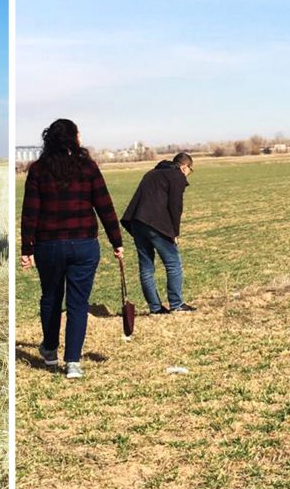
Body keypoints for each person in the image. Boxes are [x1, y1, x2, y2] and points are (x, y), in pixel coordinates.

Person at [20, 119, 124, 379]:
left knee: (51, 297)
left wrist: (27, 248)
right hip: (84, 245)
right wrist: (117, 242)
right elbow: (105, 206)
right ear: (75, 139)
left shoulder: (38, 170)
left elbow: (30, 212)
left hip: (48, 245)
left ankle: (51, 351)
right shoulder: (88, 168)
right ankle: (74, 362)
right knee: (78, 303)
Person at [121, 152, 195, 314]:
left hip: (137, 222)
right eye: (190, 170)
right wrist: (174, 232)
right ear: (184, 166)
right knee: (173, 263)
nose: (189, 174)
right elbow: (175, 207)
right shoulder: (177, 176)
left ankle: (155, 308)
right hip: (156, 224)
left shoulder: (152, 173)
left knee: (146, 266)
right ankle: (176, 304)